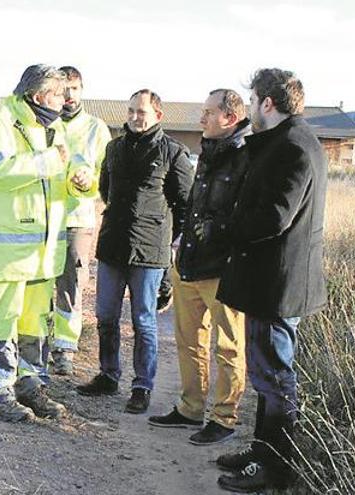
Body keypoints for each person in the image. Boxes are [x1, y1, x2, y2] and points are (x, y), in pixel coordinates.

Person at [214, 68, 327, 492]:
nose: (250, 106)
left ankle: (275, 469)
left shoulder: (294, 147)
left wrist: (228, 225)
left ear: (267, 103)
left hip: (277, 286)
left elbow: (275, 217)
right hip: (270, 282)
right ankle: (261, 453)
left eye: (254, 97)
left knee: (277, 377)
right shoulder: (287, 142)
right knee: (266, 375)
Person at [0, 65, 92, 422]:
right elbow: (0, 173)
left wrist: (80, 181)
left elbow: (66, 175)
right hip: (7, 253)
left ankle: (30, 385)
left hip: (43, 254)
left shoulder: (53, 129)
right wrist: (49, 161)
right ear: (39, 97)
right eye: (58, 94)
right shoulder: (0, 124)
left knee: (35, 324)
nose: (65, 100)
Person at [76, 89, 194, 414]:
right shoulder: (113, 149)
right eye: (130, 111)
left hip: (149, 251)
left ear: (157, 115)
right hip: (113, 246)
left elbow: (186, 203)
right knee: (105, 316)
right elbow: (105, 189)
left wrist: (174, 245)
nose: (134, 117)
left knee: (143, 321)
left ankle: (142, 386)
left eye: (141, 112)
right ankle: (108, 374)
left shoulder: (173, 153)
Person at [148, 89, 251, 446]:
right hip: (189, 263)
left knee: (229, 347)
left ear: (230, 118)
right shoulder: (207, 153)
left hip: (223, 270)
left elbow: (243, 216)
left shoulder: (246, 157)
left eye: (208, 112)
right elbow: (194, 204)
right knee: (188, 342)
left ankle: (224, 417)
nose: (201, 119)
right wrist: (180, 242)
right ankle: (191, 408)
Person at [50, 65, 111, 375]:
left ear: (82, 90)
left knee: (70, 283)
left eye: (74, 88)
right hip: (42, 218)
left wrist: (92, 181)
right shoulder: (44, 123)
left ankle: (64, 347)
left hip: (77, 218)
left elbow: (108, 175)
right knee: (38, 281)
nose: (69, 95)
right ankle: (34, 341)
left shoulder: (96, 128)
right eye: (64, 89)